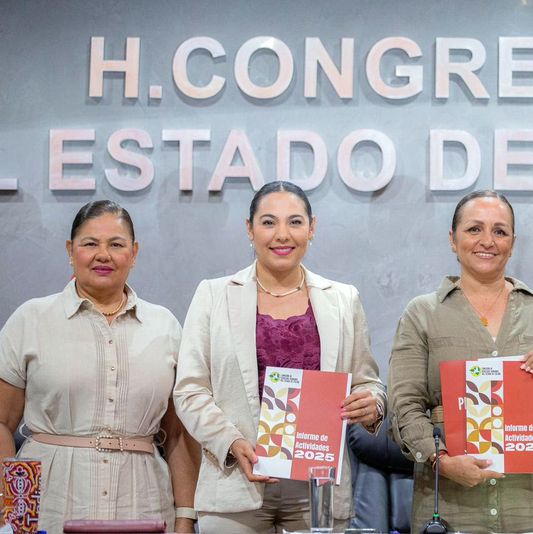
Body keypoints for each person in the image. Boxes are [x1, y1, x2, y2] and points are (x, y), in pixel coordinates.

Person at [173, 181, 386, 533]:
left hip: (318, 486)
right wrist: (231, 442)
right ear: (249, 229)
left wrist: (373, 404)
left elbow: (368, 382)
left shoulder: (343, 299)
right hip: (235, 481)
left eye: (295, 222)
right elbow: (190, 390)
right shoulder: (213, 295)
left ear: (312, 228)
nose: (282, 235)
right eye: (269, 222)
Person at [388, 190, 533, 533]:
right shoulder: (422, 314)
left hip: (532, 501)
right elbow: (404, 405)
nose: (487, 241)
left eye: (500, 231)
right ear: (453, 239)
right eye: (474, 229)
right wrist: (441, 462)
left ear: (513, 241)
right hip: (449, 500)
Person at [0, 200, 199, 534]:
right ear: (70, 250)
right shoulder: (31, 319)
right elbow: (2, 422)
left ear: (134, 253)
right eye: (90, 243)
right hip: (48, 502)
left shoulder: (165, 326)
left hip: (144, 504)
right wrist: (11, 511)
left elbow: (178, 433)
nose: (103, 255)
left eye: (116, 244)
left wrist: (184, 518)